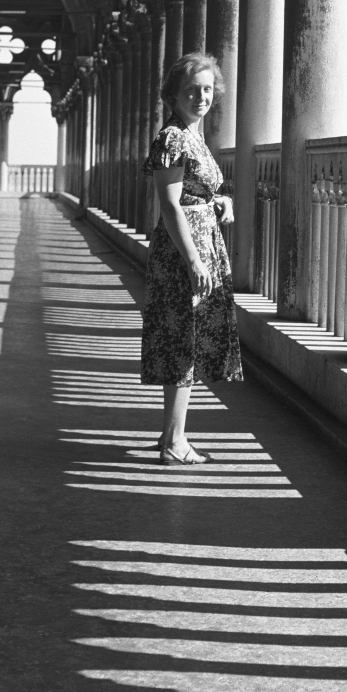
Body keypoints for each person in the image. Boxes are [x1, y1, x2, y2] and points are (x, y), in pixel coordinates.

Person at [140, 52, 241, 464]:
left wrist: (221, 200)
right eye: (191, 90)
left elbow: (195, 192)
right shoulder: (173, 138)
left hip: (198, 243)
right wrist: (195, 261)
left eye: (206, 89)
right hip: (185, 252)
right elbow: (170, 205)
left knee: (189, 339)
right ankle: (176, 442)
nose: (201, 97)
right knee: (184, 340)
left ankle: (170, 435)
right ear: (173, 95)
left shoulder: (192, 136)